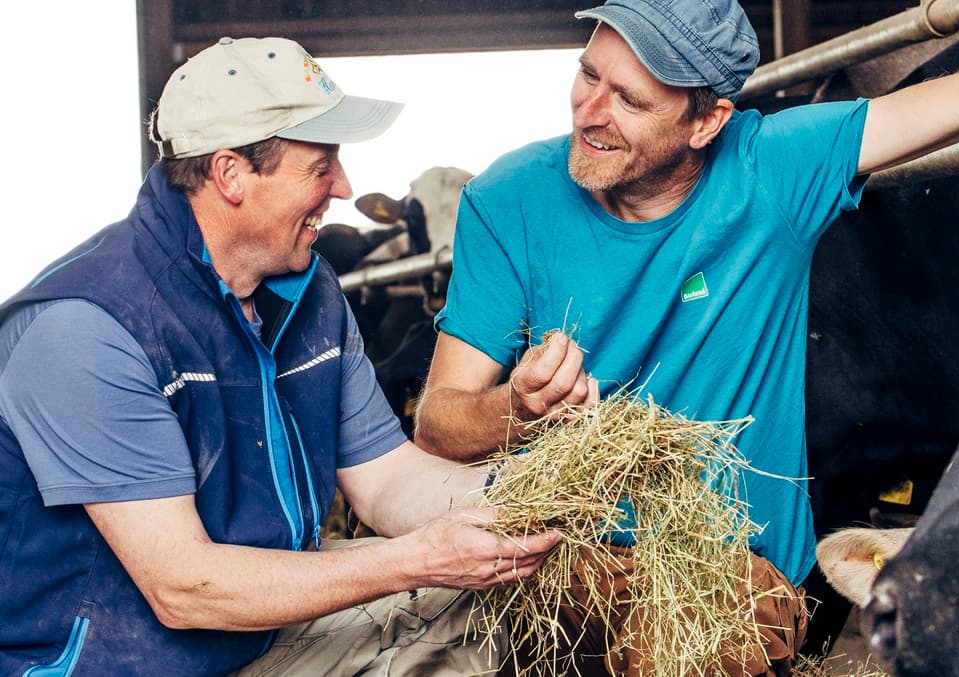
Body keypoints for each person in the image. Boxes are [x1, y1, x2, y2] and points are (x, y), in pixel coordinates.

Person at [411, 0, 959, 673]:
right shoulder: (507, 200)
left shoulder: (771, 169)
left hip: (733, 581)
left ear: (706, 124)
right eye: (587, 75)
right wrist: (519, 408)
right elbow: (438, 424)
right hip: (562, 569)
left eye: (630, 100)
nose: (590, 112)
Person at [0, 36, 559, 676]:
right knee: (431, 582)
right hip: (117, 662)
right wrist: (419, 559)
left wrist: (536, 493)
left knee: (479, 604)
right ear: (231, 174)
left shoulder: (307, 291)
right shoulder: (86, 328)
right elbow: (183, 588)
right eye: (320, 167)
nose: (345, 187)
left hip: (255, 635)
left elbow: (386, 481)